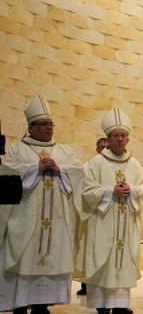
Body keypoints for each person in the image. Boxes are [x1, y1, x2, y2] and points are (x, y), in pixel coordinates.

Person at [0, 95, 84, 314]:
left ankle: (42, 305)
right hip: (26, 222)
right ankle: (21, 304)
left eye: (50, 124)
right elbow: (7, 171)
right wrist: (34, 169)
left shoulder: (64, 151)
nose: (48, 128)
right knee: (25, 260)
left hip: (55, 223)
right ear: (31, 127)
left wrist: (60, 170)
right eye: (43, 124)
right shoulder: (18, 150)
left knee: (52, 257)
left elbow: (78, 173)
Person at [82, 108, 143, 314]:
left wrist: (131, 190)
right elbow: (87, 190)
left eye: (123, 136)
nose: (120, 139)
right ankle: (102, 307)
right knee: (103, 263)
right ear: (108, 138)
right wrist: (110, 191)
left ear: (128, 139)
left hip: (126, 224)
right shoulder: (95, 164)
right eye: (115, 136)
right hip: (103, 223)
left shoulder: (135, 164)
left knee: (122, 265)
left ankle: (121, 305)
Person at [76, 136, 109, 296]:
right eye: (101, 147)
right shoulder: (89, 166)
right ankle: (86, 283)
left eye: (106, 146)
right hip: (92, 215)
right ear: (96, 149)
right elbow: (84, 191)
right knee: (89, 251)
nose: (104, 149)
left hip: (113, 215)